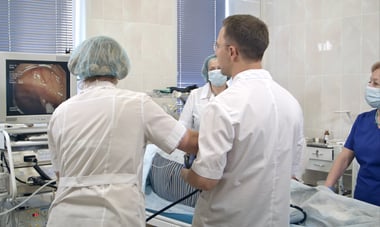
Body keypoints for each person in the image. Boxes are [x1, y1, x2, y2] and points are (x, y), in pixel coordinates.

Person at [46, 36, 198, 227]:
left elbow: (61, 176)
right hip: (114, 216)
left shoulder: (61, 112)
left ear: (80, 67)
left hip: (64, 217)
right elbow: (188, 142)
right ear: (119, 68)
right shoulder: (136, 103)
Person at [180, 14, 305, 226]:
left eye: (217, 46)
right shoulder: (290, 102)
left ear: (232, 52)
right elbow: (293, 171)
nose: (216, 52)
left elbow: (206, 179)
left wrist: (184, 173)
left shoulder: (223, 105)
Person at [148, 54, 228, 207]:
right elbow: (182, 127)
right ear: (207, 73)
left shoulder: (235, 96)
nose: (217, 72)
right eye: (212, 69)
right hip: (198, 151)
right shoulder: (196, 96)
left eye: (220, 68)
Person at [325, 61, 380, 206]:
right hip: (362, 202)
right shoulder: (363, 120)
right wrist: (327, 188)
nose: (370, 88)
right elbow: (344, 158)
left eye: (376, 84)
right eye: (370, 82)